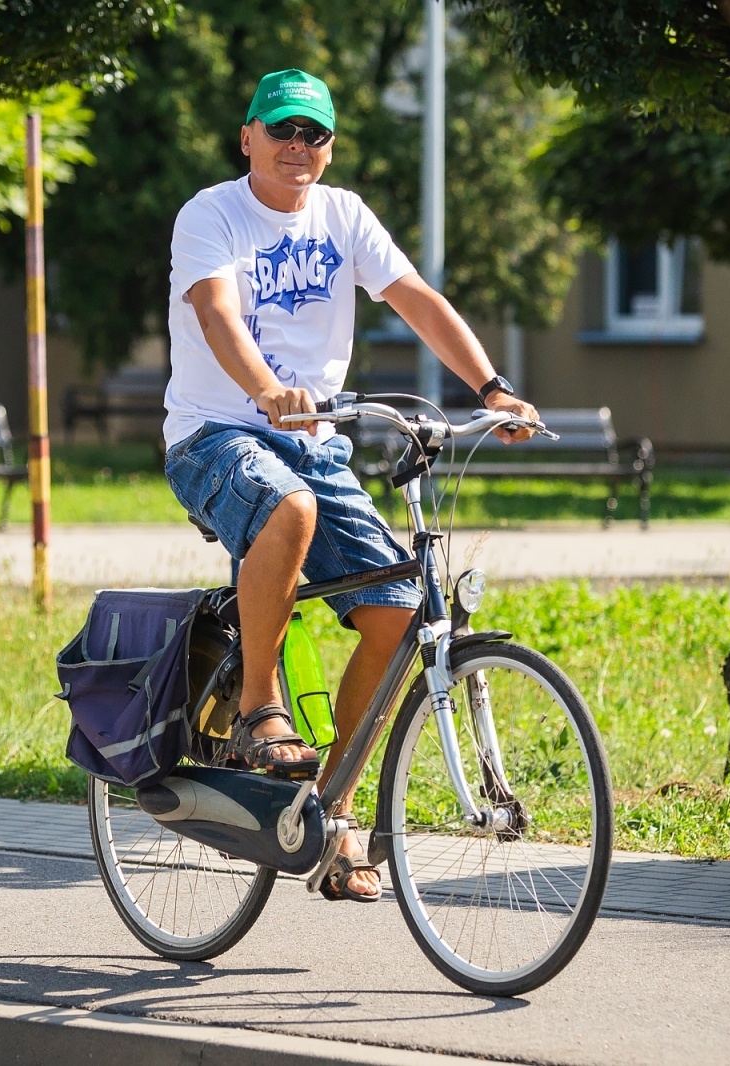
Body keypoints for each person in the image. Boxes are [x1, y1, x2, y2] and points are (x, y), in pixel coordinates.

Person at [164, 69, 540, 903]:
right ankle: (260, 701)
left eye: (317, 133)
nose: (300, 144)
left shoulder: (346, 216)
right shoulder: (212, 214)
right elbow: (218, 313)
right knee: (287, 508)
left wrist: (491, 391)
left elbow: (415, 298)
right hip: (214, 433)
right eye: (283, 129)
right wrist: (265, 390)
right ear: (248, 136)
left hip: (315, 441)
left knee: (398, 613)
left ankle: (328, 817)